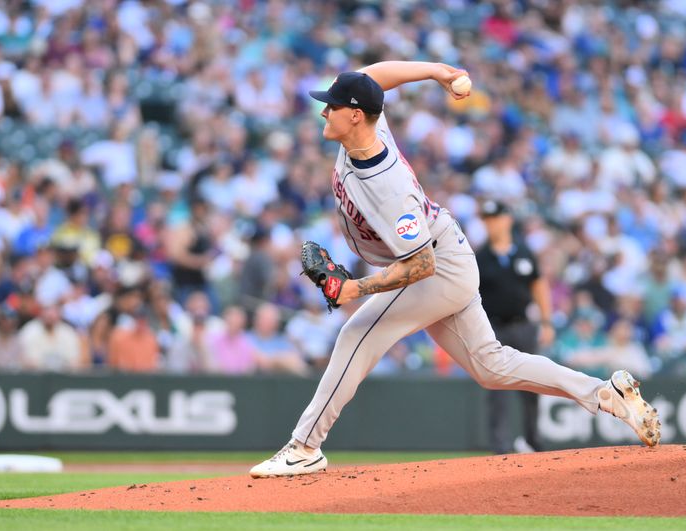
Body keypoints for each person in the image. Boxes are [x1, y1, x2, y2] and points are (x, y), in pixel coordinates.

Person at [230, 62, 657, 479]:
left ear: (355, 116)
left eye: (332, 106)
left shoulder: (386, 185)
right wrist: (437, 70)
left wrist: (356, 288)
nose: (324, 111)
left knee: (357, 333)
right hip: (445, 252)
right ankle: (605, 393)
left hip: (437, 266)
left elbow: (421, 264)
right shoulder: (369, 127)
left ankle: (305, 446)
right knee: (492, 367)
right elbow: (374, 76)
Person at [475, 200, 555, 454]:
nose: (491, 224)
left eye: (495, 218)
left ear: (507, 219)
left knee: (533, 385)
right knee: (497, 390)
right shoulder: (481, 257)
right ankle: (501, 447)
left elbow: (539, 285)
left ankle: (534, 441)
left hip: (523, 326)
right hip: (494, 330)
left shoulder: (523, 252)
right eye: (487, 220)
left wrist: (546, 321)